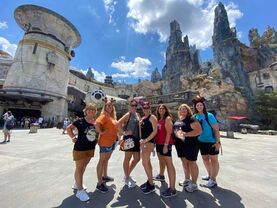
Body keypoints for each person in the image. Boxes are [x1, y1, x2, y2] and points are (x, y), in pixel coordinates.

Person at [66, 103, 98, 202]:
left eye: (93, 110)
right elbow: (68, 128)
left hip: (90, 149)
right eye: (89, 109)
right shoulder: (80, 121)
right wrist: (73, 138)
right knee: (79, 168)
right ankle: (80, 191)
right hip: (80, 148)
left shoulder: (96, 122)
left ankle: (77, 183)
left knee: (83, 167)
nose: (91, 111)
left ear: (95, 111)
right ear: (86, 111)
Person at [193, 95, 221, 188]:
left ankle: (213, 180)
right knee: (205, 159)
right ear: (195, 107)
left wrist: (217, 142)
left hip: (212, 141)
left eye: (201, 105)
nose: (199, 107)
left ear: (203, 106)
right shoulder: (195, 116)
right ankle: (210, 175)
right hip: (201, 142)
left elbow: (216, 129)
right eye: (197, 106)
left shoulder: (209, 116)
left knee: (214, 160)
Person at [174, 104, 202, 192]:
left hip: (191, 144)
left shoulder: (191, 119)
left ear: (188, 110)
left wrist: (185, 134)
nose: (183, 111)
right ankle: (187, 179)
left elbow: (199, 131)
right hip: (180, 145)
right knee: (184, 162)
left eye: (185, 109)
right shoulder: (179, 119)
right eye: (181, 109)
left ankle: (194, 184)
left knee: (192, 163)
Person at [95, 98, 118, 193]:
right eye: (108, 105)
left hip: (111, 142)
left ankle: (104, 176)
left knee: (106, 160)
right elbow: (96, 123)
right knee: (102, 161)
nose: (109, 107)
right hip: (105, 143)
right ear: (105, 107)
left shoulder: (111, 116)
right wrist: (101, 132)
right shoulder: (104, 115)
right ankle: (99, 183)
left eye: (111, 105)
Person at [154, 104, 177, 198]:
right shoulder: (159, 119)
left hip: (165, 144)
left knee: (169, 164)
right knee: (161, 161)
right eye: (159, 108)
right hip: (159, 144)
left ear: (166, 110)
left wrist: (166, 145)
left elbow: (169, 133)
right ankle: (161, 175)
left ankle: (172, 189)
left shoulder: (167, 119)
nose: (161, 109)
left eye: (163, 108)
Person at [117, 99, 141, 188]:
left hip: (136, 139)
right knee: (127, 158)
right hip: (129, 139)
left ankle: (127, 174)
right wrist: (124, 133)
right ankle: (126, 177)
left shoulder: (137, 114)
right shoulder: (128, 114)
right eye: (132, 105)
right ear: (129, 106)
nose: (134, 106)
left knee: (137, 158)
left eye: (135, 105)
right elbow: (118, 124)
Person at [139, 101, 158, 194]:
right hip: (143, 143)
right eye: (144, 108)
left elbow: (155, 131)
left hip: (148, 143)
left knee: (145, 163)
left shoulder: (152, 117)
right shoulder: (143, 118)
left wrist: (145, 140)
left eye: (147, 108)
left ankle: (151, 185)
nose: (145, 109)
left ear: (150, 108)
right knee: (147, 163)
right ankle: (149, 181)